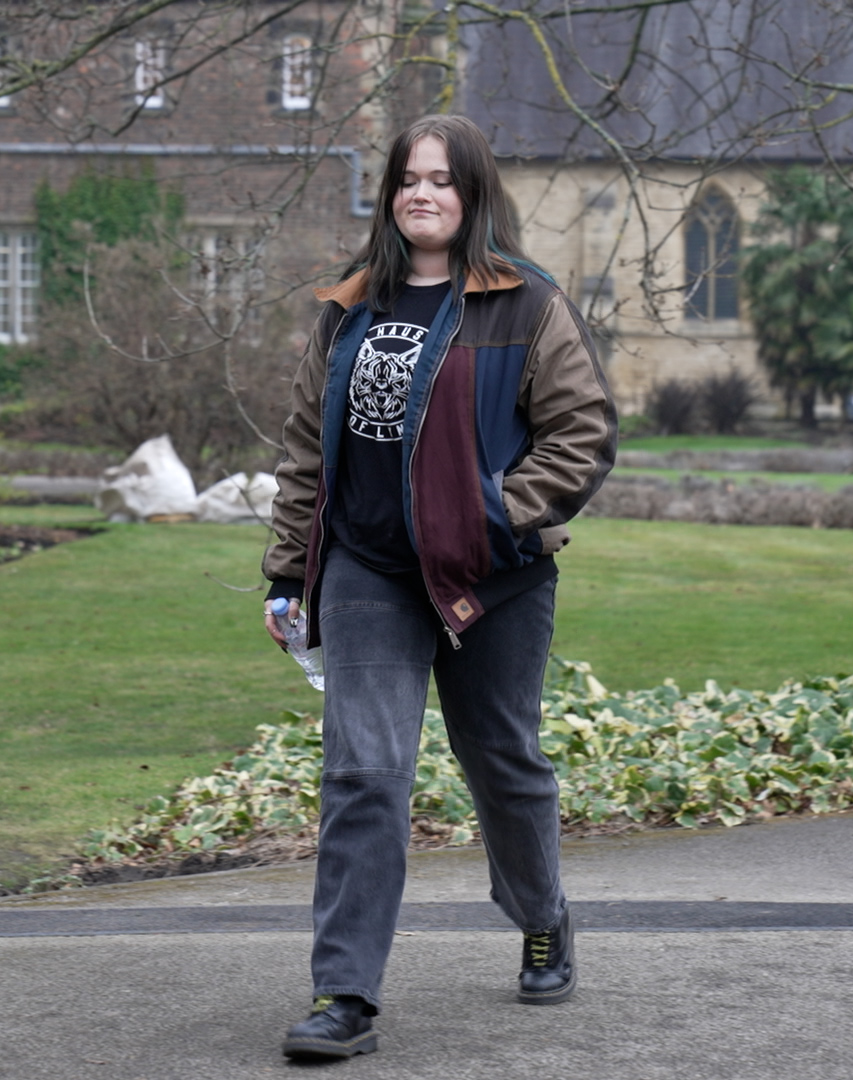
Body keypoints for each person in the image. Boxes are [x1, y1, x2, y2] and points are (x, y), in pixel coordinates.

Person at [261, 113, 618, 1060]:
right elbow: (308, 452)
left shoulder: (527, 304)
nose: (422, 193)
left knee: (502, 759)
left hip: (492, 576)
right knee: (363, 772)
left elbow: (581, 434)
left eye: (443, 180)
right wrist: (287, 573)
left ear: (474, 196)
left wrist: (494, 514)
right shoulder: (347, 309)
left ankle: (543, 914)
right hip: (368, 569)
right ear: (389, 196)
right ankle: (344, 994)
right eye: (408, 179)